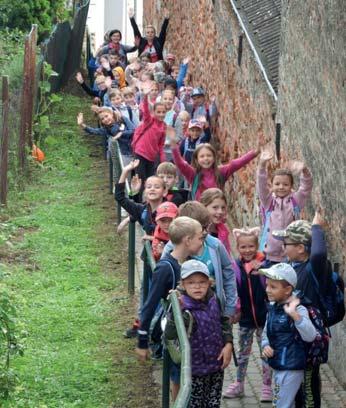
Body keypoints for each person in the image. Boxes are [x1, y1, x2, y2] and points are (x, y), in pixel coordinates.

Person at [272, 212, 329, 407]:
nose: (282, 246)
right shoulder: (291, 265)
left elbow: (320, 253)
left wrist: (316, 227)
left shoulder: (312, 268)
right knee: (296, 388)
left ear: (301, 248)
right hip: (293, 341)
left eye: (286, 243)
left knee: (308, 387)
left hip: (308, 341)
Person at [164, 260, 233, 407]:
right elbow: (169, 334)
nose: (197, 286)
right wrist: (177, 309)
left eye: (202, 282)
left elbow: (224, 321)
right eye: (191, 282)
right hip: (193, 371)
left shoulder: (214, 299)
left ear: (209, 283)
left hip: (215, 367)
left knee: (213, 403)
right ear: (183, 284)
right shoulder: (181, 306)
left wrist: (228, 344)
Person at [162, 201, 238, 319]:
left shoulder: (215, 245)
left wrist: (230, 307)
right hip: (185, 313)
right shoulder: (171, 249)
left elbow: (228, 273)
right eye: (201, 227)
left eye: (206, 226)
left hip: (213, 309)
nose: (205, 231)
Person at [223, 227, 272, 401]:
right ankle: (239, 384)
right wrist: (235, 310)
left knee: (265, 352)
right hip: (245, 319)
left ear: (257, 245)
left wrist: (263, 271)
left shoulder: (265, 263)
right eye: (243, 247)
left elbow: (271, 288)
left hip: (264, 318)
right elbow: (233, 289)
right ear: (238, 247)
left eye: (251, 246)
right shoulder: (236, 265)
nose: (247, 250)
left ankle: (267, 385)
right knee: (243, 353)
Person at [260, 263, 317, 408]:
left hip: (291, 366)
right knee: (284, 403)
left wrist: (296, 317)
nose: (267, 290)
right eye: (267, 285)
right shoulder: (273, 307)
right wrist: (265, 345)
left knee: (281, 404)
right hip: (278, 364)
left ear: (288, 290)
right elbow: (266, 332)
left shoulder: (299, 308)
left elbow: (310, 336)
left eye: (273, 287)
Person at [168, 128, 260, 200]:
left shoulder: (221, 171)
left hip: (217, 212)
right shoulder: (193, 174)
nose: (206, 159)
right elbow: (180, 163)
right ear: (196, 159)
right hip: (201, 213)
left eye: (209, 155)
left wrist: (254, 153)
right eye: (202, 156)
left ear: (214, 157)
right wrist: (173, 145)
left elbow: (236, 164)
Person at [257, 150, 313, 263]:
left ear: (291, 185)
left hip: (289, 257)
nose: (281, 187)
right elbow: (261, 185)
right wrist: (262, 165)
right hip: (268, 255)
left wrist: (304, 171)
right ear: (271, 185)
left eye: (286, 184)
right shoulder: (269, 202)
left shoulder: (295, 200)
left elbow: (306, 187)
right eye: (277, 184)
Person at [76, 108, 134, 176]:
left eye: (106, 116)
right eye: (102, 119)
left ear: (111, 114)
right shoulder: (107, 129)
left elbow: (134, 130)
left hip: (136, 150)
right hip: (125, 154)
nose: (105, 119)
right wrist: (82, 124)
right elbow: (94, 131)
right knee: (127, 176)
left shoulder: (123, 119)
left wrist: (121, 133)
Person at [131, 86, 167, 195]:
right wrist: (145, 96)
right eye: (158, 112)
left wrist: (163, 159)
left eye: (163, 112)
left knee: (150, 180)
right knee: (140, 179)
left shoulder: (164, 126)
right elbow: (146, 109)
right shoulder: (149, 121)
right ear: (154, 112)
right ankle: (139, 201)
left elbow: (160, 145)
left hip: (151, 157)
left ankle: (149, 201)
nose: (161, 114)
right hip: (141, 153)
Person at [200, 188, 231, 254]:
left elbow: (226, 254)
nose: (220, 211)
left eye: (223, 208)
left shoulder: (223, 230)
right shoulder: (198, 232)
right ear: (203, 207)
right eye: (215, 207)